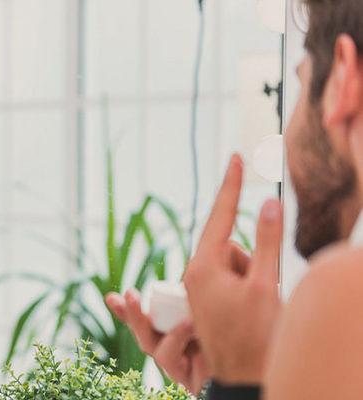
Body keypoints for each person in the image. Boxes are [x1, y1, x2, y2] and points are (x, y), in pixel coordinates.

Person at [107, 0, 363, 398]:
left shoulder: (345, 294)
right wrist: (234, 371)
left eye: (298, 82)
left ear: (342, 76)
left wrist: (239, 377)